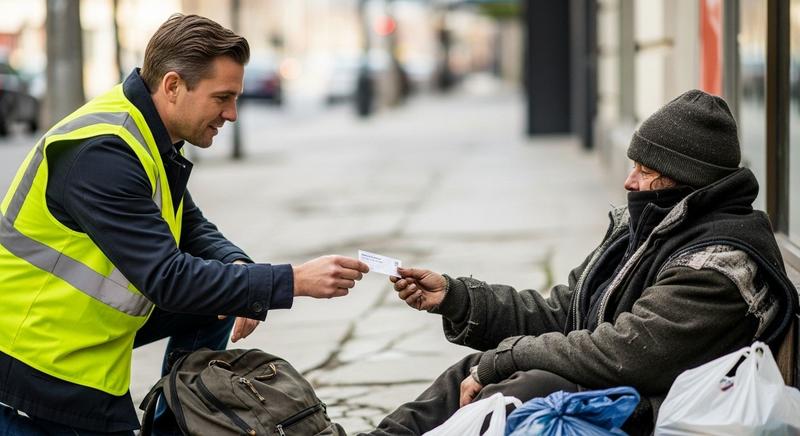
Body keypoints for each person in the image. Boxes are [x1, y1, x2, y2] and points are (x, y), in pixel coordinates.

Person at [0, 14, 369, 436]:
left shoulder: (147, 131)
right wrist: (292, 280)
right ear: (173, 86)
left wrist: (241, 269)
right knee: (209, 291)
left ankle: (185, 418)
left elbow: (191, 225)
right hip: (37, 356)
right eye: (222, 98)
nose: (231, 114)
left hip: (80, 331)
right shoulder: (102, 153)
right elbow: (168, 278)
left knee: (220, 297)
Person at [367, 89, 799, 435]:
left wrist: (509, 358)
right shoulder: (649, 228)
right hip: (628, 386)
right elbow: (567, 311)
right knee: (471, 370)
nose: (630, 180)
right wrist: (457, 298)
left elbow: (625, 352)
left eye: (645, 169)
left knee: (532, 387)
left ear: (684, 179)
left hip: (671, 410)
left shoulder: (719, 263)